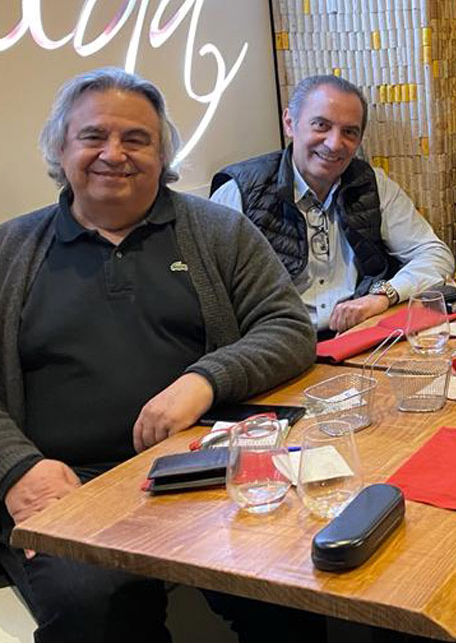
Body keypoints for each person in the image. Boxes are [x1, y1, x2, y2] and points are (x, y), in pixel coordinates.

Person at [0, 68, 323, 642]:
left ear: (162, 154)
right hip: (68, 485)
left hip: (204, 471)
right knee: (94, 605)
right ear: (60, 149)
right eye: (93, 136)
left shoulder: (219, 232)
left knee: (293, 583)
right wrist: (17, 467)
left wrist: (204, 380)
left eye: (136, 139)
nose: (114, 154)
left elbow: (289, 327)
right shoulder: (10, 251)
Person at [211, 74, 454, 334]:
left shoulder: (372, 184)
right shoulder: (240, 193)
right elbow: (210, 293)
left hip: (357, 337)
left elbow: (435, 254)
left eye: (349, 132)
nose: (334, 143)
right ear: (290, 123)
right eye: (321, 125)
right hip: (278, 344)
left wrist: (383, 296)